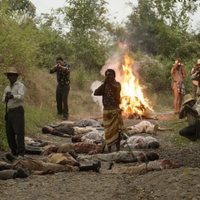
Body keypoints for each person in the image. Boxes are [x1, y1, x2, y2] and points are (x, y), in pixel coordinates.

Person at [94, 69, 123, 152]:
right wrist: (104, 84)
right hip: (107, 111)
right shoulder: (105, 85)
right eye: (107, 75)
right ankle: (109, 148)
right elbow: (96, 92)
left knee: (118, 130)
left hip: (115, 110)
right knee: (108, 131)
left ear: (114, 76)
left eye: (110, 75)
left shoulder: (117, 84)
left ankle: (118, 148)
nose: (109, 76)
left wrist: (108, 83)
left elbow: (115, 89)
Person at [2, 67, 26, 157]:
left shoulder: (20, 85)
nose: (12, 76)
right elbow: (3, 100)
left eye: (14, 75)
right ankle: (14, 151)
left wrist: (13, 96)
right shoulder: (7, 87)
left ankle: (21, 153)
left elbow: (21, 96)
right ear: (8, 77)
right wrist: (6, 97)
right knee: (9, 132)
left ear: (16, 76)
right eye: (10, 75)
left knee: (19, 132)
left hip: (18, 110)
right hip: (9, 111)